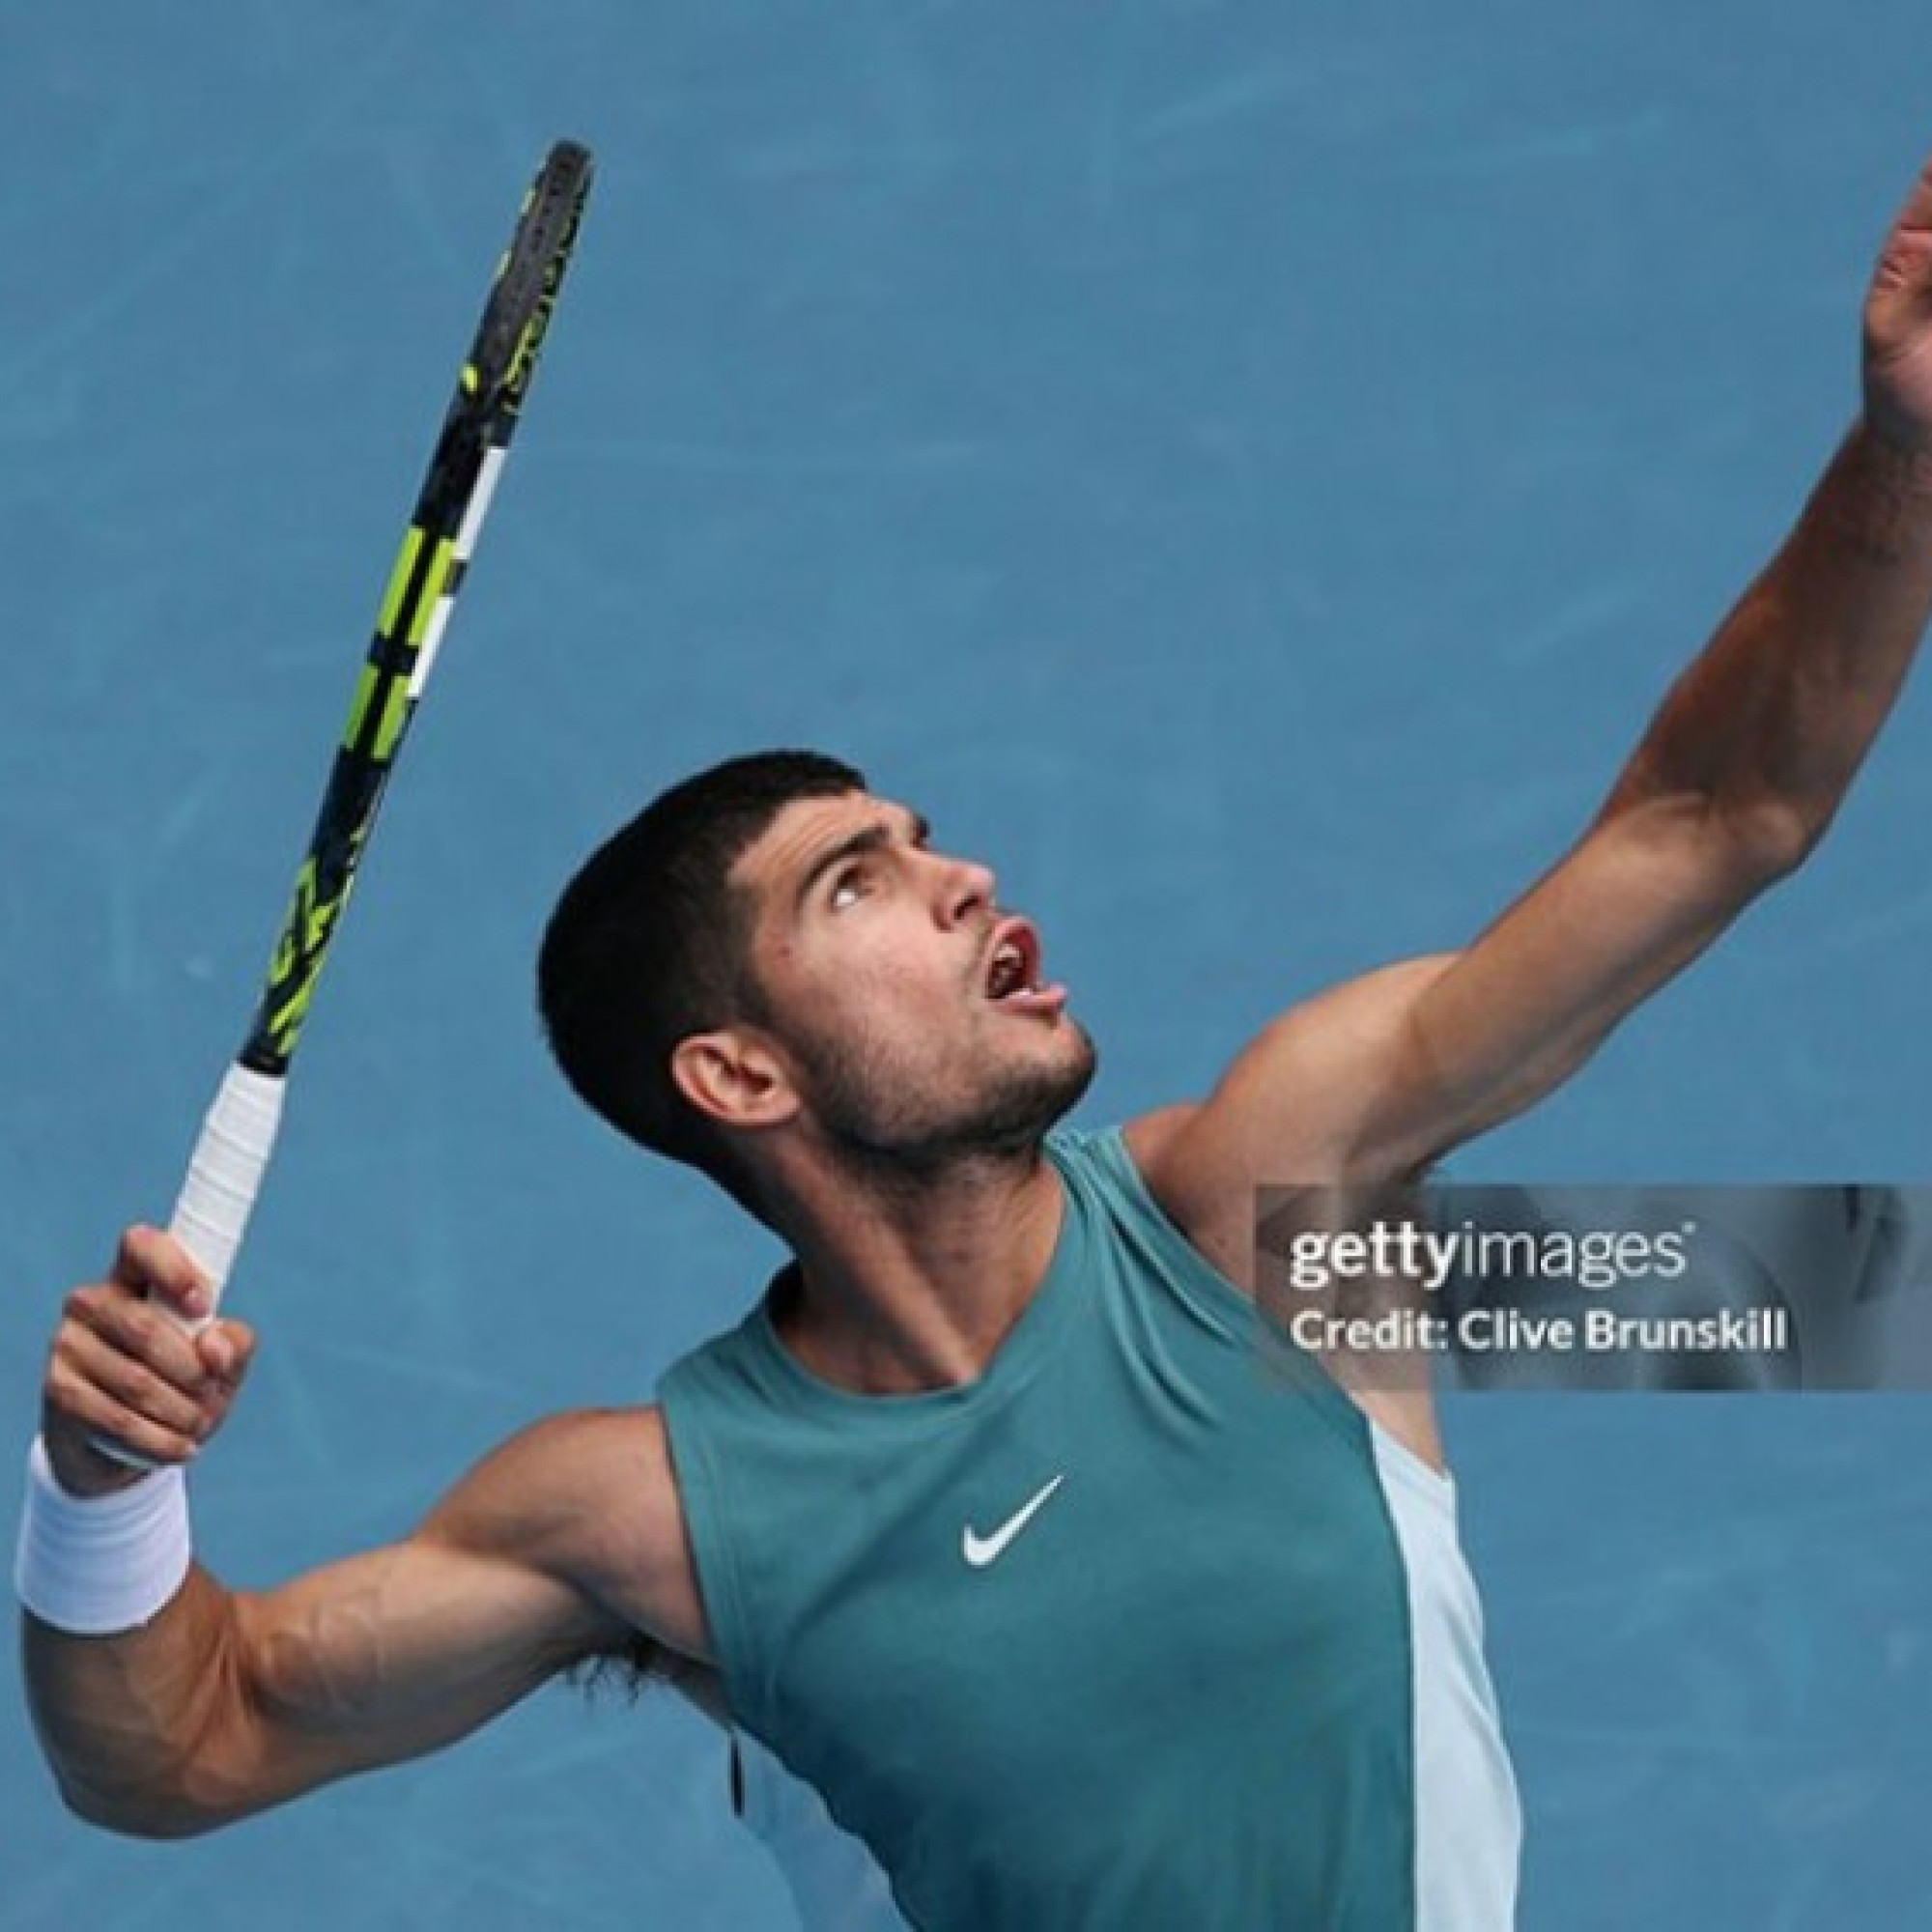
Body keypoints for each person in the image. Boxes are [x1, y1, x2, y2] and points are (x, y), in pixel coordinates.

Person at [18, 146, 1932, 1931]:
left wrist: (1900, 451)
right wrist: (102, 1488)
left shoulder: (1270, 1200)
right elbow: (181, 1744)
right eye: (858, 882)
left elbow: (1712, 820)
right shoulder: (647, 1514)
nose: (963, 880)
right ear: (738, 1072)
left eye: (926, 842)